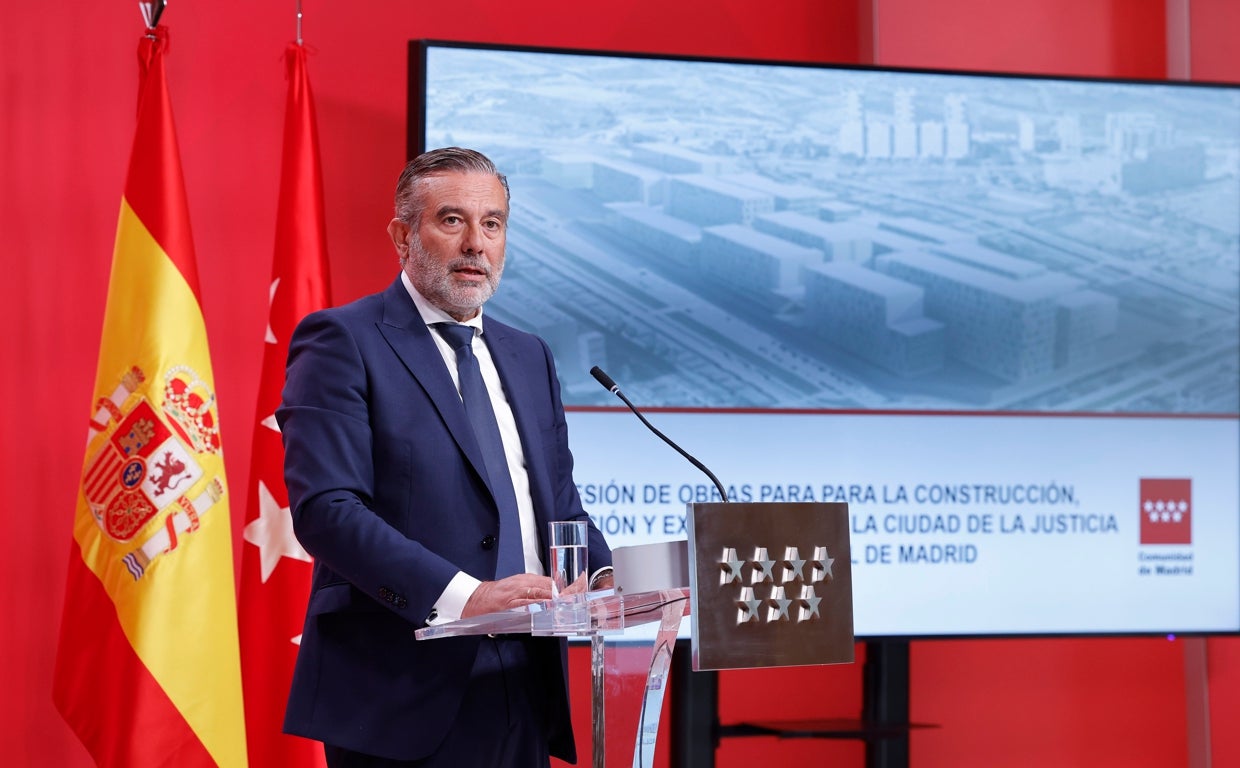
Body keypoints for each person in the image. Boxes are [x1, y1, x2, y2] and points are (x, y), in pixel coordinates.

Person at [277, 146, 613, 767]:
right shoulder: (342, 340)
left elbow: (559, 507)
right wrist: (467, 598)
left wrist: (610, 580)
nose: (476, 245)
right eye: (452, 220)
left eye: (492, 224)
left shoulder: (528, 355)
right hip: (401, 690)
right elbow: (328, 510)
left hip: (525, 682)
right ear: (403, 237)